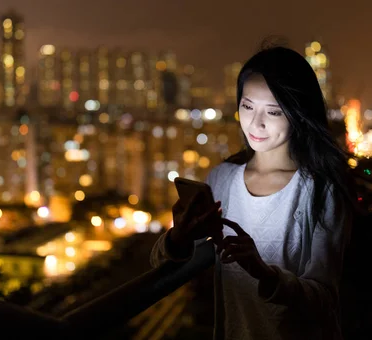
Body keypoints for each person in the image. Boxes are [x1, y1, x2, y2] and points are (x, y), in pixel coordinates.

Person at [150, 45, 356, 340]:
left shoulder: (320, 190)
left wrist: (263, 272)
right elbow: (159, 265)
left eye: (273, 111)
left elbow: (324, 299)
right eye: (247, 106)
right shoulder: (222, 180)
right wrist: (178, 238)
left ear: (298, 114)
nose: (255, 123)